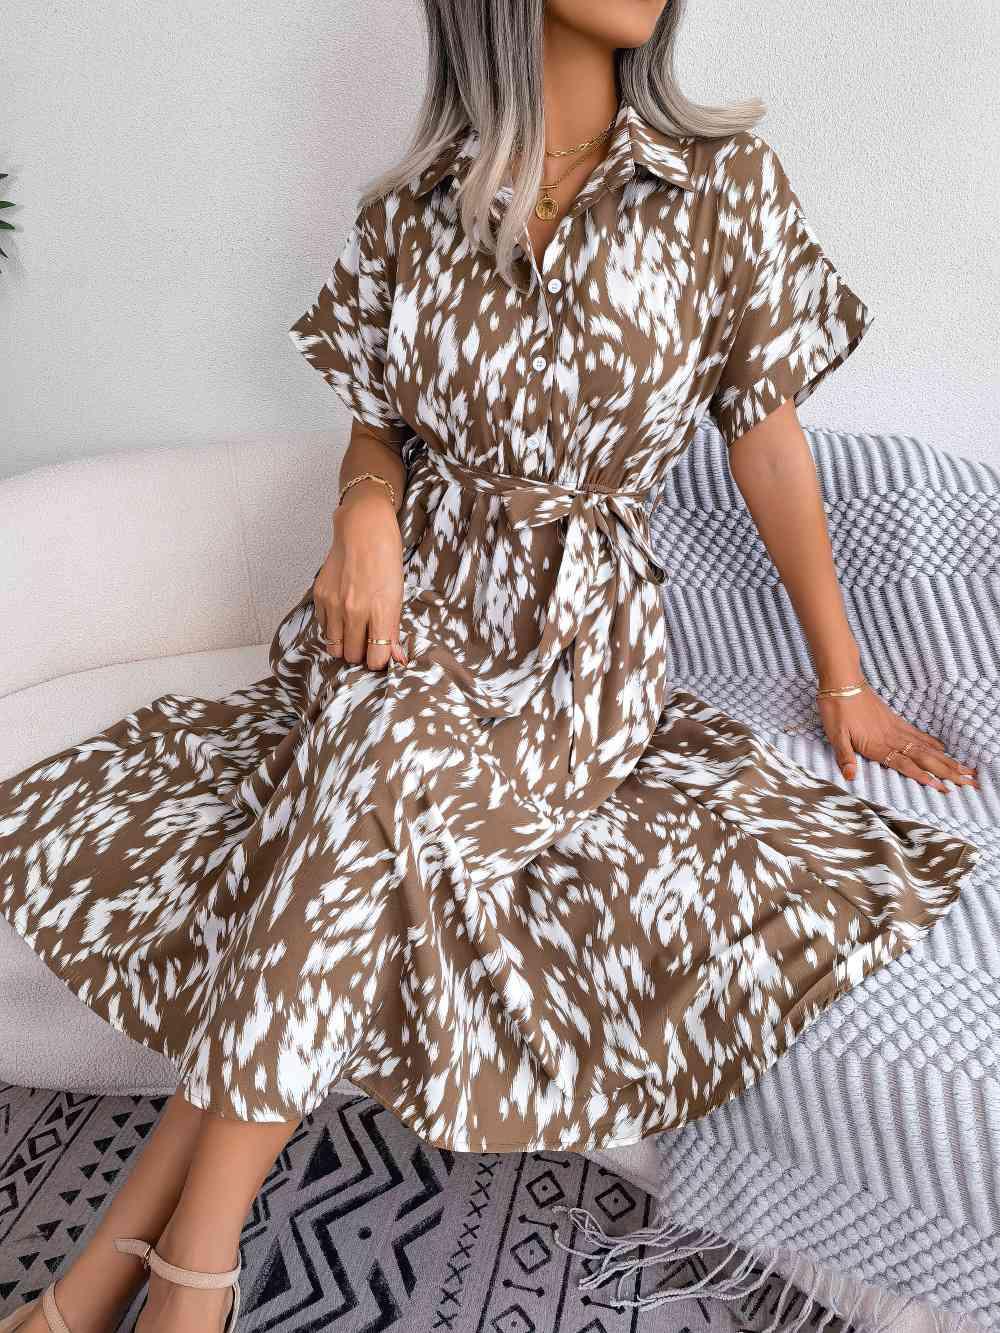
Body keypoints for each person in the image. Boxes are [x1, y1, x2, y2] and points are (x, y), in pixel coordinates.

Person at [0, 1, 983, 1330]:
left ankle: (154, 1263)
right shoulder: (417, 209)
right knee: (363, 764)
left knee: (366, 774)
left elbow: (768, 446)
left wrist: (846, 679)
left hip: (577, 649)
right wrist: (361, 508)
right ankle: (151, 1273)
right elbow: (377, 431)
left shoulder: (721, 187)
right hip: (399, 621)